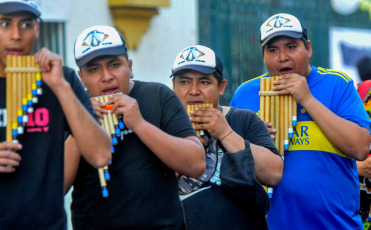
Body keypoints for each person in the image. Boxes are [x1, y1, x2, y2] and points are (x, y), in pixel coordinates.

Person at [230, 13, 371, 230]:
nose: (282, 57)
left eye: (291, 46)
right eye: (273, 50)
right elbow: (229, 167)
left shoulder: (337, 84)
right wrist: (251, 142)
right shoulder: (245, 94)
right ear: (264, 56)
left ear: (308, 49)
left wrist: (307, 99)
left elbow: (360, 147)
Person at [64, 25, 205, 230]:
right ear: (81, 78)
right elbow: (53, 188)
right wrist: (80, 126)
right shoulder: (69, 109)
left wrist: (140, 124)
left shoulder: (158, 96)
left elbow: (196, 164)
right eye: (94, 69)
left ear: (129, 67)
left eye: (114, 65)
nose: (106, 76)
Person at [0, 0, 112, 229]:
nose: (16, 35)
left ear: (38, 29)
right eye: (4, 23)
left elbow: (101, 155)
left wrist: (60, 86)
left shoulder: (64, 79)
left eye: (26, 24)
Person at [171, 45, 283, 230]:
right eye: (184, 82)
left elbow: (274, 174)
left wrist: (225, 132)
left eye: (204, 82)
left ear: (221, 87)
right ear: (173, 87)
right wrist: (183, 153)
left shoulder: (244, 119)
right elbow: (146, 191)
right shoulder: (160, 125)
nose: (194, 91)